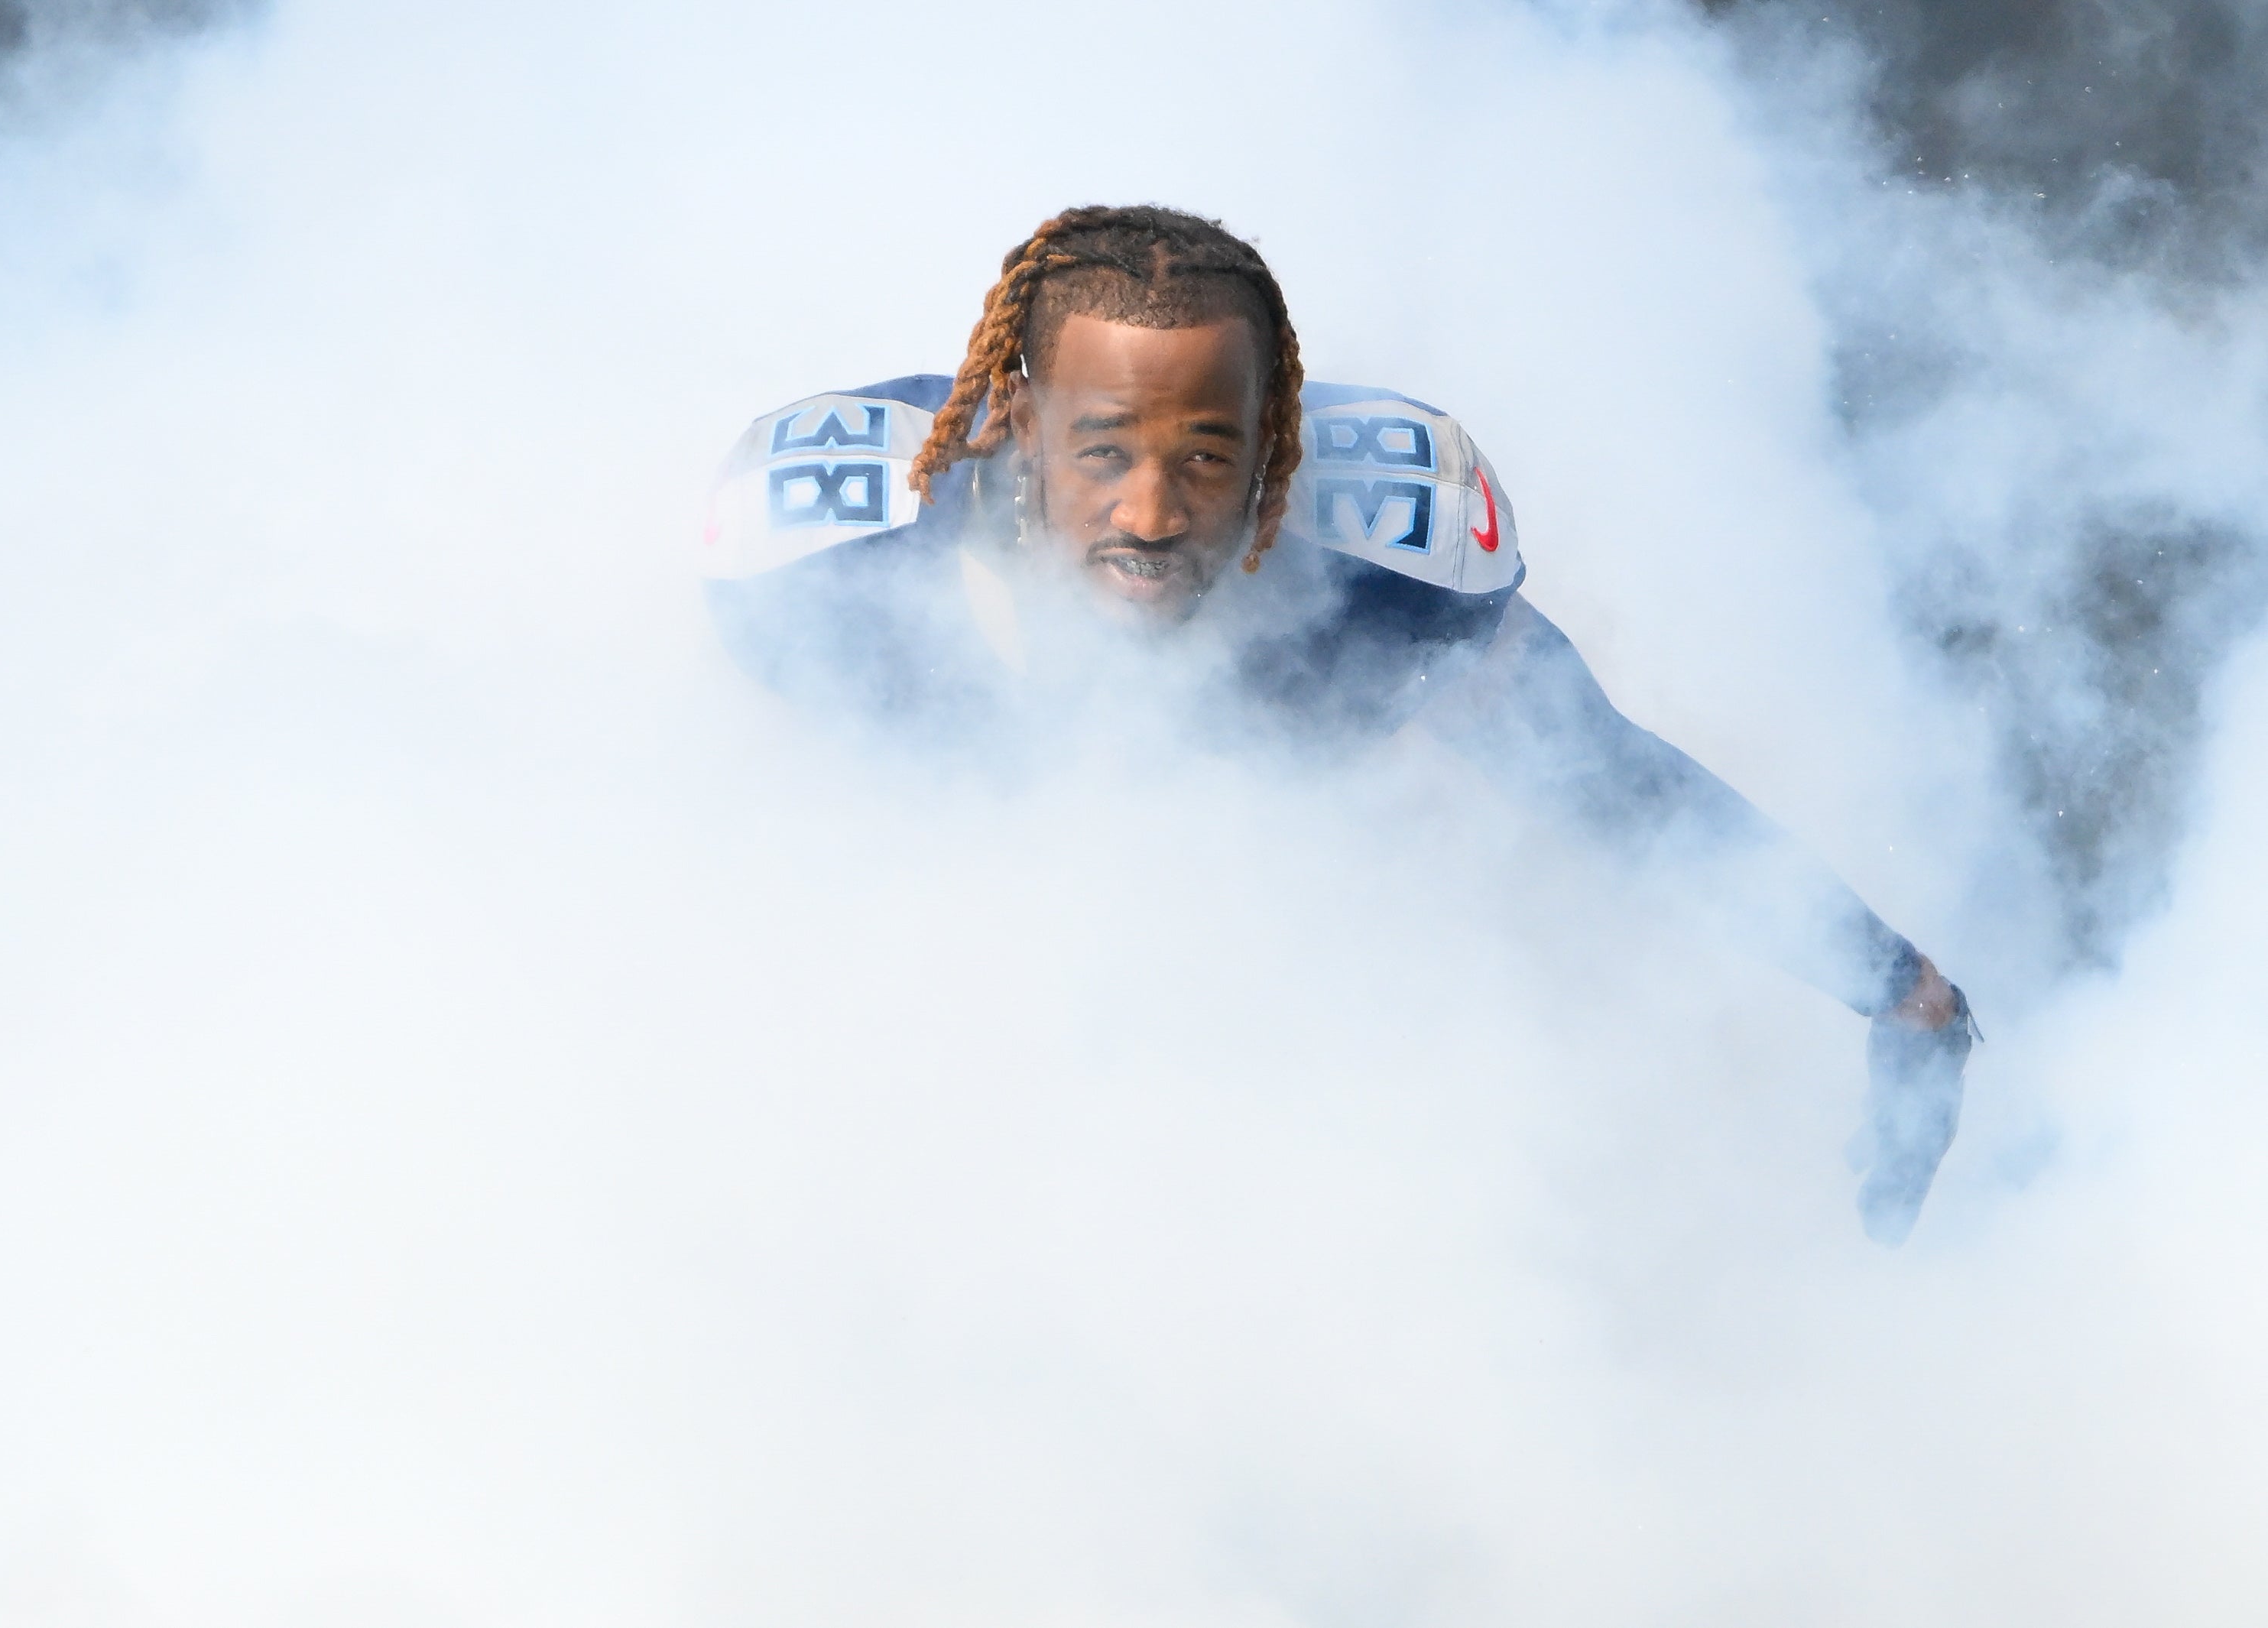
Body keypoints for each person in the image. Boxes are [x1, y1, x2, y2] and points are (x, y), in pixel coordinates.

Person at [700, 204, 1977, 1244]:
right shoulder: (830, 560)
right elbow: (742, 875)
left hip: (1289, 1024)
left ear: (1278, 448)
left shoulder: (1389, 584)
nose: (1150, 512)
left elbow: (1610, 783)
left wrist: (1894, 988)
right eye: (1102, 453)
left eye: (1207, 457)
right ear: (1017, 427)